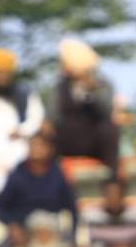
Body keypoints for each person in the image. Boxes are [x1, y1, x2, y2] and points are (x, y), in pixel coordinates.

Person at [0, 132, 76, 247]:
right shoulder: (17, 175)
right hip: (25, 229)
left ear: (49, 149)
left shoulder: (57, 174)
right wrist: (13, 225)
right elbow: (0, 208)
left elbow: (72, 206)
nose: (36, 149)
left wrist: (74, 234)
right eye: (32, 145)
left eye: (40, 145)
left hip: (53, 225)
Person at [46, 39, 120, 171]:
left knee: (110, 130)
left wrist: (95, 91)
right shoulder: (60, 87)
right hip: (69, 139)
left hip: (94, 139)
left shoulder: (103, 84)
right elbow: (52, 115)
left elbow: (107, 111)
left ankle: (113, 177)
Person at [0, 49, 45, 194]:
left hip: (17, 151)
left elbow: (36, 120)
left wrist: (22, 131)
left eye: (3, 72)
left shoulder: (25, 95)